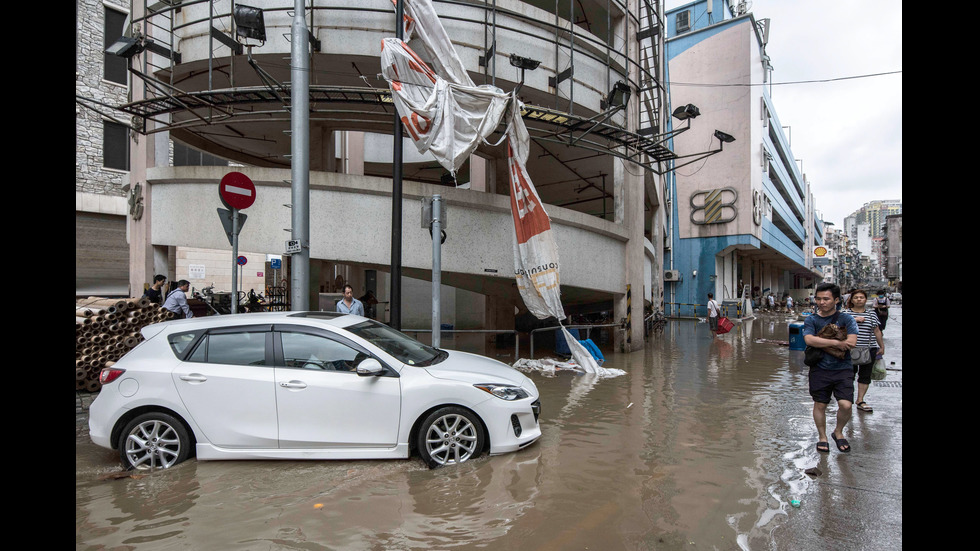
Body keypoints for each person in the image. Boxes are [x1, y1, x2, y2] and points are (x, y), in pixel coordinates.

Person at [803, 282, 858, 453]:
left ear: (836, 300)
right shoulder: (811, 319)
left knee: (846, 405)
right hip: (819, 369)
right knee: (820, 404)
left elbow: (851, 343)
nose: (821, 302)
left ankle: (838, 432)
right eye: (818, 299)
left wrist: (822, 343)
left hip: (843, 369)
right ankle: (822, 437)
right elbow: (809, 340)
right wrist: (835, 342)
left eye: (826, 299)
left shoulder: (846, 319)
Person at [842, 289, 884, 413]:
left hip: (869, 349)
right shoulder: (845, 313)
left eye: (861, 297)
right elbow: (838, 328)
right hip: (850, 349)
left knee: (865, 376)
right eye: (856, 297)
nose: (859, 299)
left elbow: (877, 331)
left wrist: (881, 346)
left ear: (866, 299)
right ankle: (847, 399)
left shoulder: (872, 314)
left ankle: (860, 400)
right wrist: (854, 320)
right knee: (848, 376)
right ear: (852, 300)